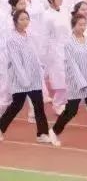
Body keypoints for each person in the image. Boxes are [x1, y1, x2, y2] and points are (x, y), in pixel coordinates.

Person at [0, 9, 60, 144]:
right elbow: (16, 61)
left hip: (34, 77)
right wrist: (24, 79)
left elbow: (35, 54)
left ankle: (42, 133)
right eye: (22, 19)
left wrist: (40, 68)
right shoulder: (12, 39)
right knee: (16, 105)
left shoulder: (30, 35)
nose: (25, 22)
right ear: (15, 21)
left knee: (39, 105)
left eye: (27, 19)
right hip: (20, 79)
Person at [51, 13, 87, 149]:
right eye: (80, 25)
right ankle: (54, 131)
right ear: (73, 26)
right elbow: (72, 65)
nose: (83, 27)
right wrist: (81, 82)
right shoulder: (69, 44)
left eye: (84, 25)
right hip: (77, 84)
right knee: (71, 111)